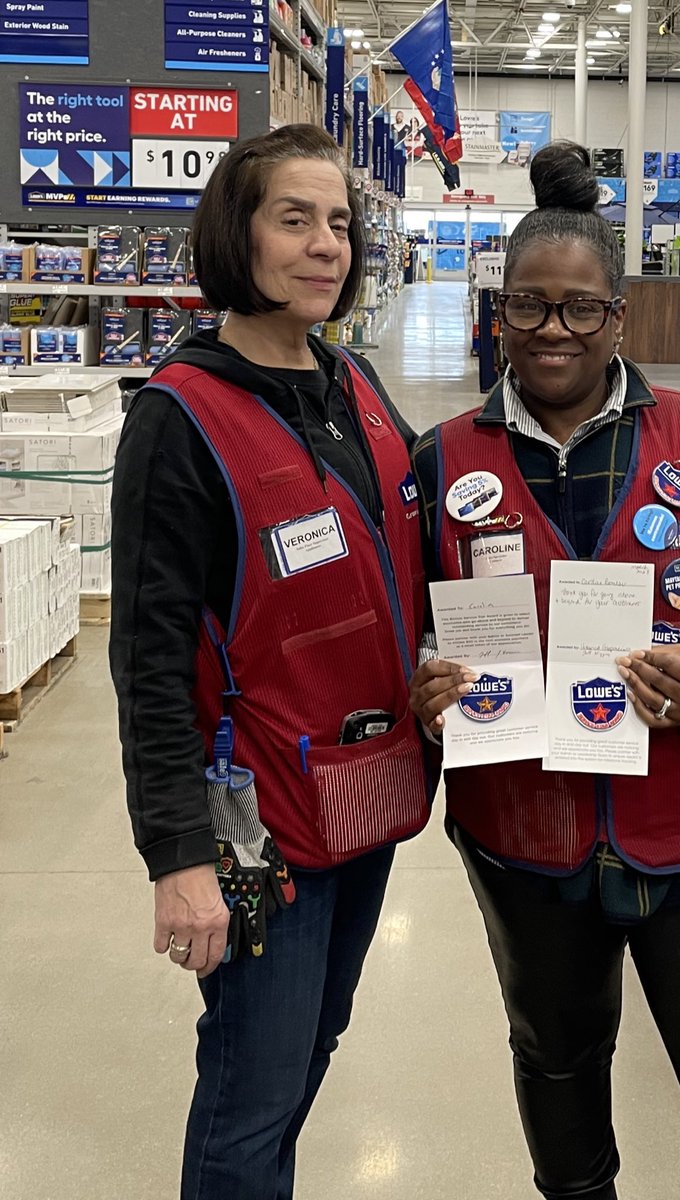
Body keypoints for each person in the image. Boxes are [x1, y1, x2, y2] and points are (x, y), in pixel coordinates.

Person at [410, 141, 680, 1200]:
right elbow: (402, 620)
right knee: (555, 1069)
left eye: (579, 310)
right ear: (496, 313)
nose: (552, 331)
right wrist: (425, 685)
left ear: (618, 320)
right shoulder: (440, 459)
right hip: (524, 835)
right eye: (527, 307)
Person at [110, 124, 435, 1200]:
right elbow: (149, 658)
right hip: (254, 827)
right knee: (252, 1084)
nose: (324, 245)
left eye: (338, 223)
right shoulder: (180, 417)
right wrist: (176, 858)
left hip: (364, 794)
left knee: (307, 1053)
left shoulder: (356, 387)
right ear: (233, 236)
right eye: (292, 220)